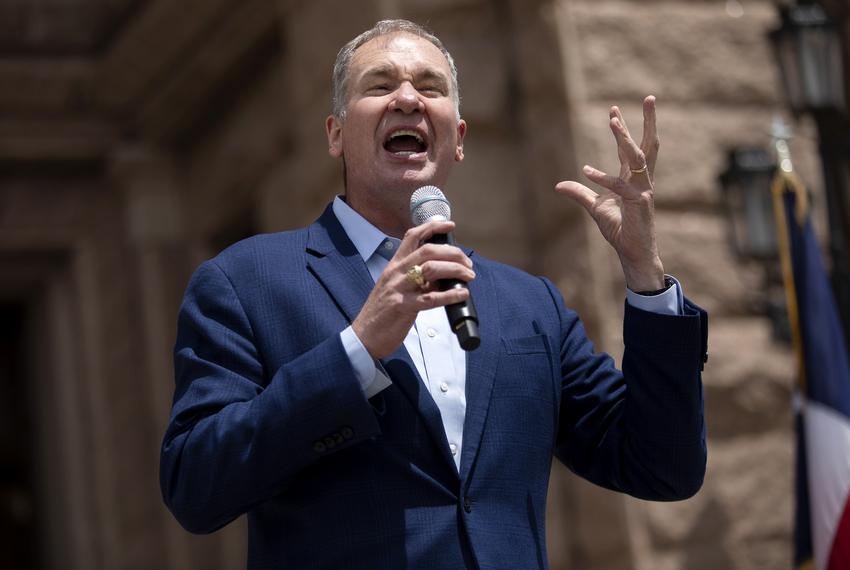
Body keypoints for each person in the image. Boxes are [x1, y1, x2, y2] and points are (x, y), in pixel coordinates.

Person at [160, 19, 708, 570]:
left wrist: (645, 275)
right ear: (334, 134)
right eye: (379, 85)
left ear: (459, 139)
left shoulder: (530, 305)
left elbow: (663, 467)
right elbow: (196, 486)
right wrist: (356, 350)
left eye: (430, 86)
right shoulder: (246, 282)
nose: (407, 98)